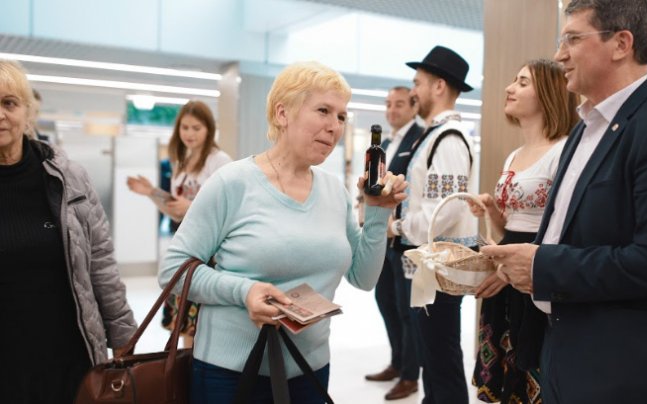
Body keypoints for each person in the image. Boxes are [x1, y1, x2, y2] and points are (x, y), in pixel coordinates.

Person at [481, 1, 647, 403]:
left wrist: (542, 265)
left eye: (573, 39)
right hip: (562, 353)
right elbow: (570, 230)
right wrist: (516, 263)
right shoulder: (584, 130)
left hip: (623, 371)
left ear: (621, 43)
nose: (560, 55)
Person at [159, 61, 408, 404]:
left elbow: (363, 278)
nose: (334, 127)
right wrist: (243, 291)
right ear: (282, 114)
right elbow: (173, 270)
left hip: (310, 370)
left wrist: (378, 212)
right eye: (323, 110)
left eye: (341, 117)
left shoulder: (334, 191)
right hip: (229, 372)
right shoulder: (233, 183)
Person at [0, 59, 137, 403]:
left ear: (27, 111)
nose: (0, 114)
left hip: (67, 358)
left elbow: (101, 264)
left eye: (9, 103)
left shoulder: (67, 178)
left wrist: (124, 337)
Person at [469, 59, 579, 404]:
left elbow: (559, 226)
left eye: (522, 82)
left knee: (531, 370)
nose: (509, 88)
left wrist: (512, 268)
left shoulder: (564, 150)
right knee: (501, 372)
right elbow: (511, 225)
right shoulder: (515, 154)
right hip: (506, 266)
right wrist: (491, 211)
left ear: (548, 93)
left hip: (532, 269)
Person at [391, 45, 478, 404]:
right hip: (430, 264)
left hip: (440, 264)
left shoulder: (449, 139)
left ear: (439, 86)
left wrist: (397, 227)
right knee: (433, 353)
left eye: (418, 83)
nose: (413, 91)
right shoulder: (436, 135)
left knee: (440, 356)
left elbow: (444, 210)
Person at [127, 100, 232, 348]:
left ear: (208, 129)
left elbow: (226, 209)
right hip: (186, 249)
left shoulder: (220, 161)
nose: (190, 134)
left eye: (196, 128)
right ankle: (185, 379)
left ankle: (199, 377)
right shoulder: (181, 162)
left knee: (201, 328)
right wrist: (152, 192)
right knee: (183, 326)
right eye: (185, 128)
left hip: (210, 255)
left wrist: (190, 207)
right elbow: (176, 211)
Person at [364, 86, 423, 400]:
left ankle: (411, 375)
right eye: (388, 104)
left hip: (406, 238)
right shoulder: (385, 143)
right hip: (384, 237)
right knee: (385, 300)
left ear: (413, 106)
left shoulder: (419, 139)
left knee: (406, 308)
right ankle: (398, 362)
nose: (392, 110)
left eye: (399, 104)